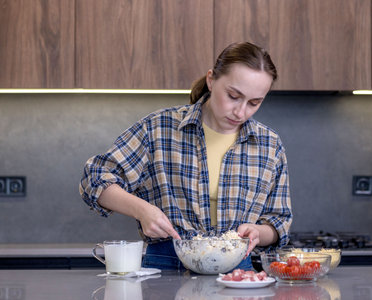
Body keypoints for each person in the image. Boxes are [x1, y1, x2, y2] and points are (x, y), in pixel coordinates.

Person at [79, 42, 292, 271]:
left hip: (238, 273)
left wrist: (258, 232)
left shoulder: (269, 144)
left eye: (254, 103)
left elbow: (278, 221)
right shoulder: (158, 129)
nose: (241, 112)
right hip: (167, 266)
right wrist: (142, 210)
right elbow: (94, 178)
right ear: (211, 80)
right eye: (233, 96)